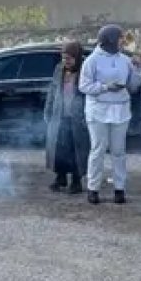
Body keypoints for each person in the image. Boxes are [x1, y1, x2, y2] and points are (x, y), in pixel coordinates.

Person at [79, 25, 141, 204]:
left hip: (120, 110)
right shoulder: (92, 60)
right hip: (98, 110)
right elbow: (83, 86)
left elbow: (133, 86)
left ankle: (119, 188)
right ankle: (93, 188)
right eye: (120, 38)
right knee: (97, 150)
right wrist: (106, 87)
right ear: (109, 40)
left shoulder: (125, 60)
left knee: (119, 151)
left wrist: (137, 70)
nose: (123, 41)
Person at [44, 41, 90, 195]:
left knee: (76, 151)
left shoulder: (84, 71)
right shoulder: (59, 70)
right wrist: (48, 111)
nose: (66, 61)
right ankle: (60, 177)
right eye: (64, 58)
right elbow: (52, 91)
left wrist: (87, 116)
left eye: (69, 58)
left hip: (78, 118)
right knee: (59, 149)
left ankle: (76, 181)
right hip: (60, 115)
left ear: (77, 57)